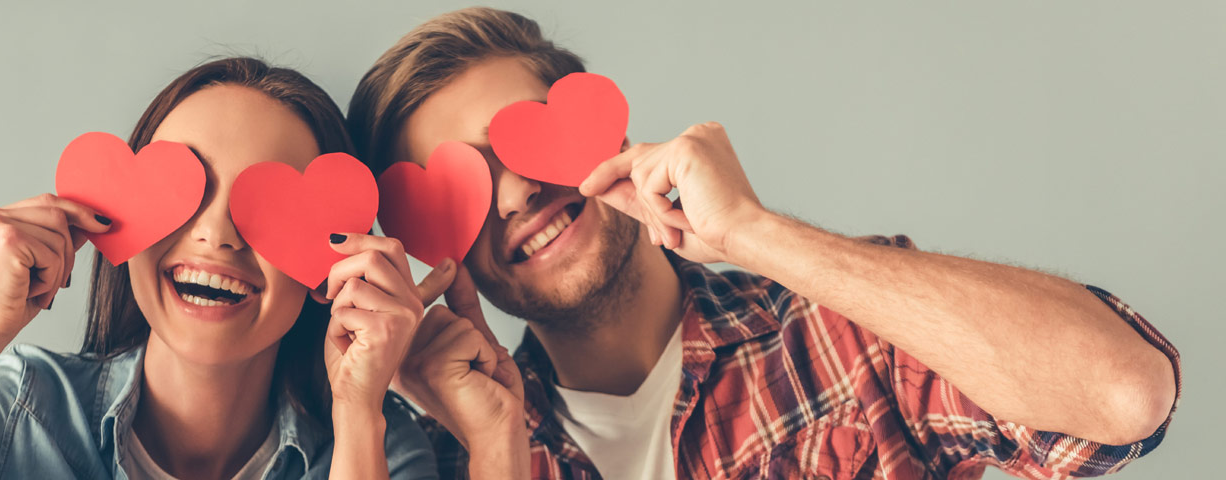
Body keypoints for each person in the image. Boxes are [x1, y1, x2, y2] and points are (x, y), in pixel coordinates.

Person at [349, 8, 1181, 479]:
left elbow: (1124, 395)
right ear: (432, 240)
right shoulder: (454, 449)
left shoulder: (839, 333)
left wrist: (753, 233)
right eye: (461, 185)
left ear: (601, 125)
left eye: (528, 144)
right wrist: (496, 440)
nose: (516, 193)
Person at [0, 57, 439, 480]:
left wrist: (358, 411)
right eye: (189, 189)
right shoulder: (24, 410)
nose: (216, 233)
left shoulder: (376, 446)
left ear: (336, 254)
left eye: (270, 205)